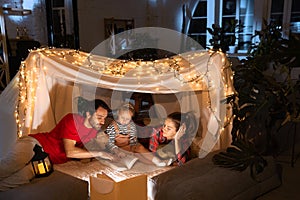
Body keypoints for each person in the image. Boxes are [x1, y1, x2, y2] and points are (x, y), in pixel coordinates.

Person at [0, 98, 114, 190]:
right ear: (88, 114)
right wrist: (99, 153)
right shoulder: (72, 120)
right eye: (99, 117)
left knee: (19, 179)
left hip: (46, 160)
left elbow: (86, 152)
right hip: (36, 144)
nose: (103, 122)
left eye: (104, 118)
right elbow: (70, 152)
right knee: (13, 164)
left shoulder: (93, 131)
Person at [106, 102, 171, 167]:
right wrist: (117, 151)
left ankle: (157, 160)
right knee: (137, 154)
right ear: (118, 114)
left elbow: (133, 138)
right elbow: (109, 143)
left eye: (127, 119)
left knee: (140, 148)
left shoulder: (131, 125)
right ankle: (156, 164)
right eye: (122, 118)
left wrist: (133, 146)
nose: (124, 121)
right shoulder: (112, 127)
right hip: (118, 148)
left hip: (130, 145)